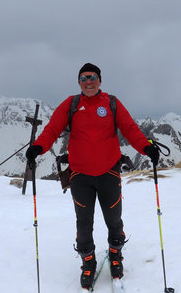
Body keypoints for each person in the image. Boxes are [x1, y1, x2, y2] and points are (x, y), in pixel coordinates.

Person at [25, 62, 159, 289]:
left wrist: (147, 147)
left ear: (100, 81)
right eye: (84, 78)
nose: (89, 82)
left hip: (109, 173)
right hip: (80, 176)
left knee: (114, 219)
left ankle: (116, 257)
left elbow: (130, 129)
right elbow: (52, 130)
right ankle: (88, 262)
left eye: (93, 77)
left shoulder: (112, 104)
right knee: (84, 223)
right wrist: (38, 147)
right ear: (79, 82)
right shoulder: (71, 105)